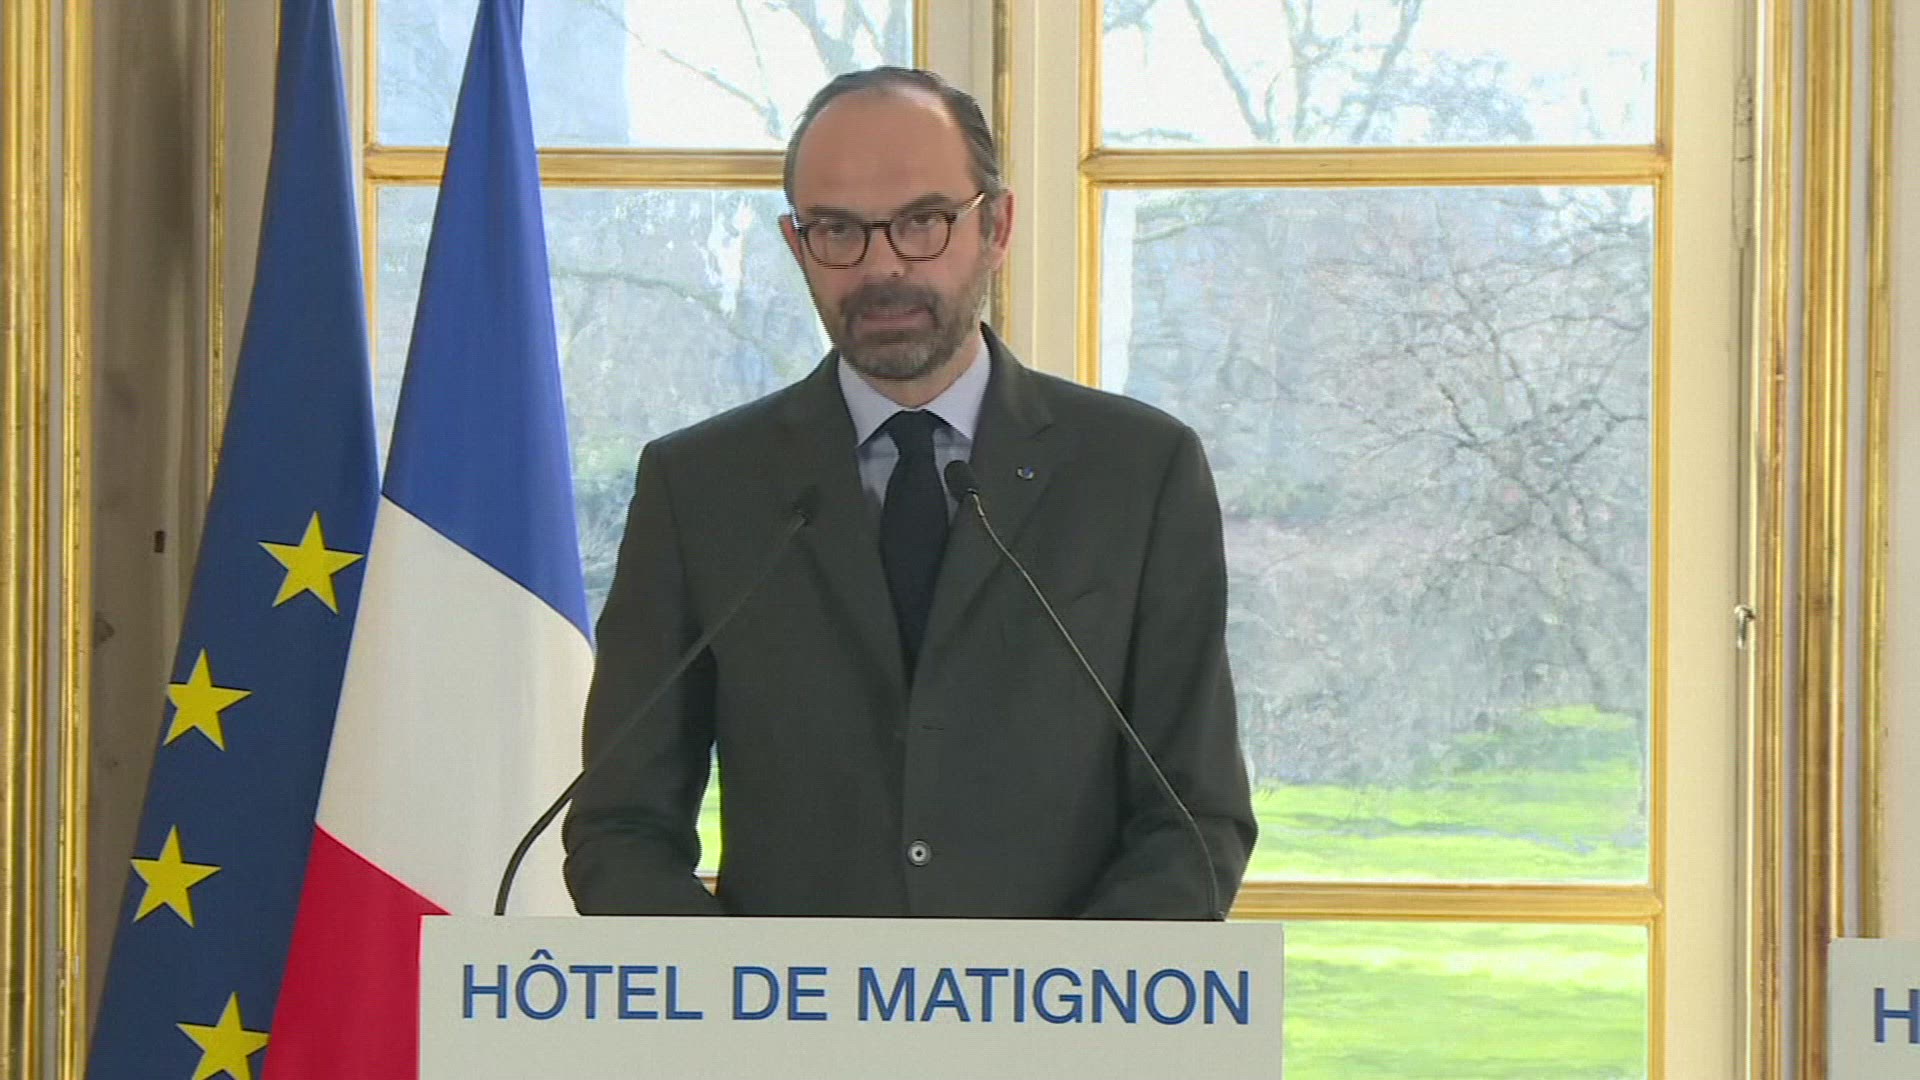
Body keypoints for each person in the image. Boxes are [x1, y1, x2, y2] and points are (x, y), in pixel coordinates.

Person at [561, 66, 1254, 919]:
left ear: (997, 226)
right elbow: (620, 828)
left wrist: (1056, 994)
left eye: (922, 222)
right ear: (796, 244)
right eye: (837, 230)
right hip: (783, 1007)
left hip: (1061, 1004)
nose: (882, 266)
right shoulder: (700, 486)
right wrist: (737, 989)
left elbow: (1196, 821)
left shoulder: (1139, 472)